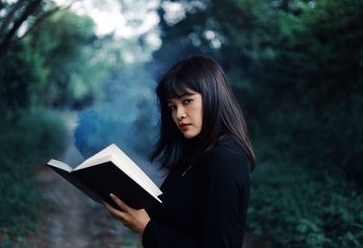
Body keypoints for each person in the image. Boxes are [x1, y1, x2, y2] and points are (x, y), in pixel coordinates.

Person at [103, 55, 257, 247]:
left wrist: (146, 228)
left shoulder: (225, 158)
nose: (179, 115)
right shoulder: (195, 154)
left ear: (212, 95)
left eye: (187, 101)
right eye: (172, 107)